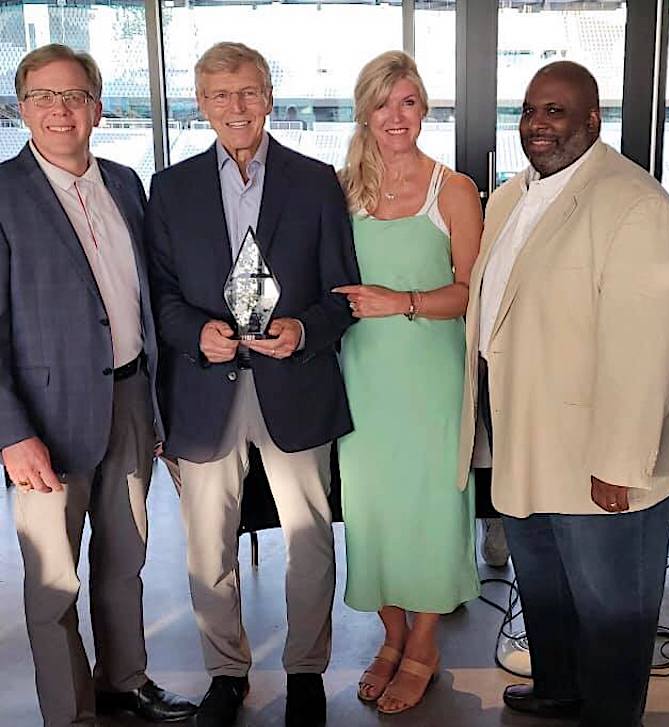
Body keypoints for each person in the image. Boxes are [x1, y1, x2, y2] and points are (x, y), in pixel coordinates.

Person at [456, 61, 669, 726]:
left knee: (612, 605)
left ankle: (611, 712)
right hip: (526, 438)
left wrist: (619, 461)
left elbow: (649, 349)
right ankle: (559, 686)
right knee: (544, 583)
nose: (537, 124)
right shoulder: (509, 197)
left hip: (599, 456)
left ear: (593, 120)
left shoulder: (635, 204)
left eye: (555, 111)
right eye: (529, 110)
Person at [145, 42, 359, 727]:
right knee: (208, 543)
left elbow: (341, 295)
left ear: (269, 97)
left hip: (294, 384)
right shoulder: (170, 189)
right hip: (206, 388)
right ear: (200, 104)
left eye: (247, 92)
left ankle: (305, 672)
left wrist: (305, 329)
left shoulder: (315, 180)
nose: (235, 107)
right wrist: (191, 334)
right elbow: (163, 294)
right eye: (219, 94)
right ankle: (225, 673)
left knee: (310, 539)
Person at [0, 44, 195, 726]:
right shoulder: (1, 193)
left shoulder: (124, 183)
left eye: (75, 95)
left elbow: (143, 299)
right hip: (43, 422)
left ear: (98, 106)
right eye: (45, 97)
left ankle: (125, 680)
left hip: (132, 399)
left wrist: (162, 409)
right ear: (21, 108)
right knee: (54, 584)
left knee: (125, 557)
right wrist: (11, 433)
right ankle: (70, 713)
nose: (61, 110)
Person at [333, 50, 482, 715]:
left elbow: (471, 292)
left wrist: (404, 301)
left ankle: (424, 640)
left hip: (430, 380)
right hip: (361, 378)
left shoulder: (454, 189)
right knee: (372, 510)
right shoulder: (339, 189)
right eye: (385, 101)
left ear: (425, 109)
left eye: (410, 101)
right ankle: (390, 634)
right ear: (364, 107)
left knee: (428, 509)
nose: (397, 116)